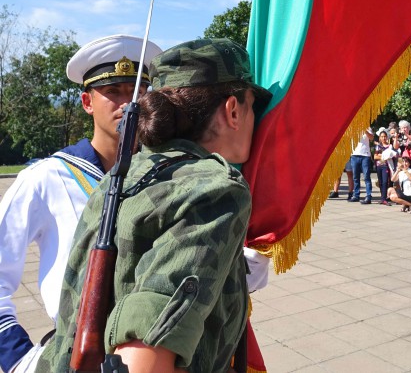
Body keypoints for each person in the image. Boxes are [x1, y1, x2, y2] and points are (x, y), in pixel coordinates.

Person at [35, 38, 273, 373]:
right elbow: (144, 357)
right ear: (233, 110)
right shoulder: (214, 188)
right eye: (253, 107)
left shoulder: (124, 173)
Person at [0, 34, 163, 373]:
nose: (127, 103)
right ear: (88, 101)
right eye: (114, 91)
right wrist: (18, 359)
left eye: (138, 92)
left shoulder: (163, 176)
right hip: (75, 353)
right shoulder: (46, 178)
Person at [349, 128, 374, 204]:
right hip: (354, 155)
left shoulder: (367, 127)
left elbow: (371, 138)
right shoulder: (351, 127)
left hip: (365, 155)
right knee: (355, 177)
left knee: (366, 177)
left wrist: (365, 131)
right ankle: (356, 195)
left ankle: (368, 196)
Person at [373, 128, 392, 205]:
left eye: (385, 136)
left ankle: (384, 198)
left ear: (387, 137)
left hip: (386, 166)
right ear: (379, 137)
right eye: (382, 136)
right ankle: (382, 197)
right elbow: (375, 157)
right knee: (380, 182)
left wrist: (381, 155)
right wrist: (384, 156)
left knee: (385, 182)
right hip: (378, 166)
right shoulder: (378, 146)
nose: (383, 138)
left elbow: (390, 156)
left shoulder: (389, 146)